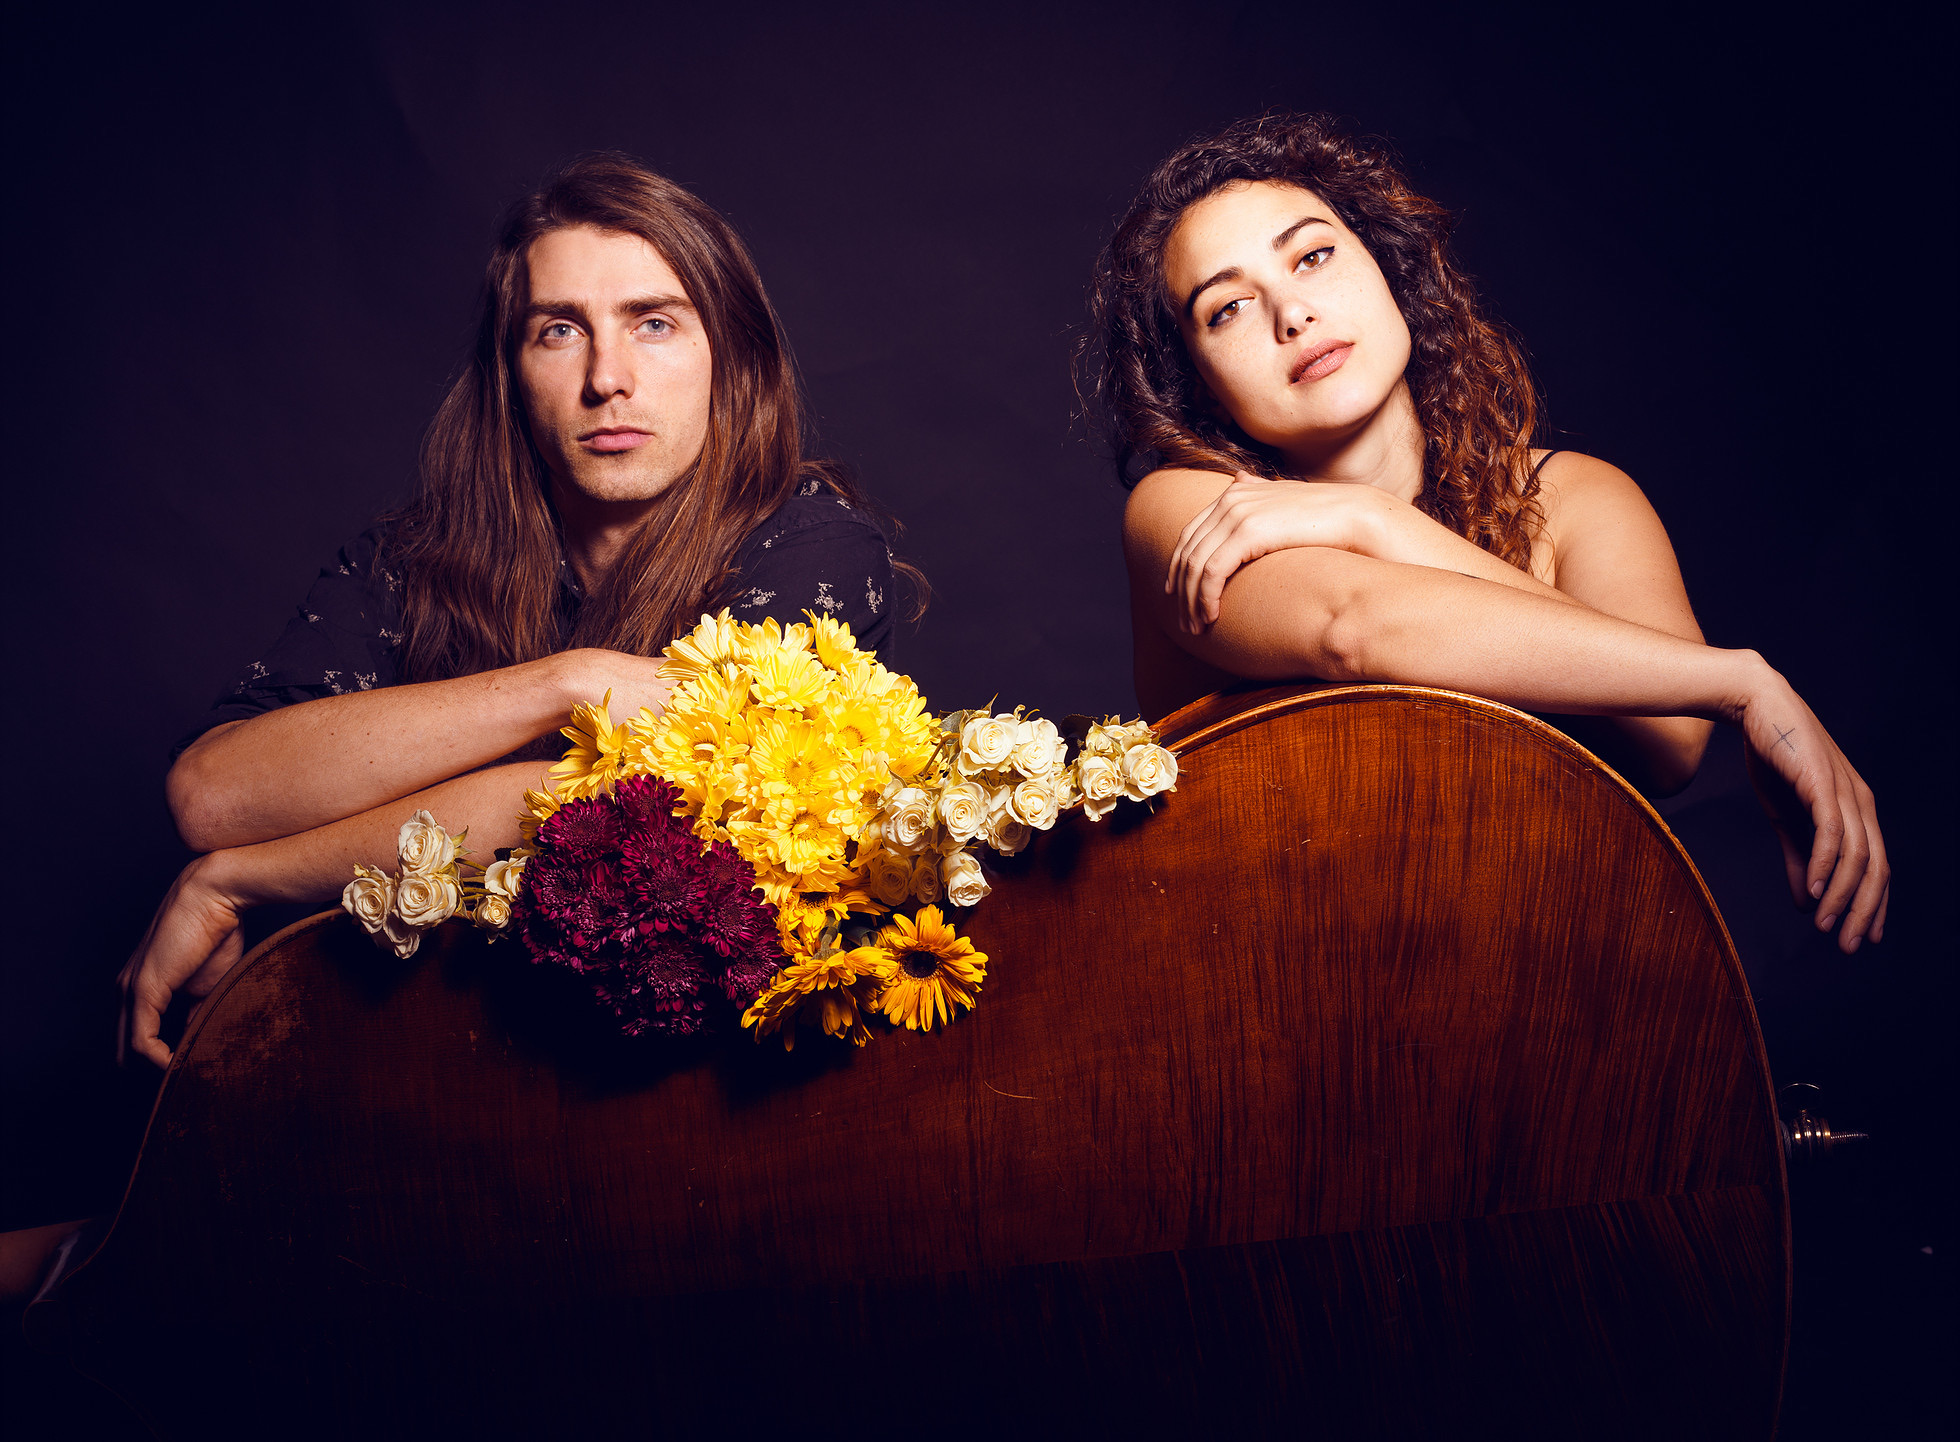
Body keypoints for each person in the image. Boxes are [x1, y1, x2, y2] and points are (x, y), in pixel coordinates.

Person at [118, 153, 914, 1068]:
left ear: (729, 358)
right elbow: (212, 795)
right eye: (559, 331)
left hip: (696, 1092)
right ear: (510, 370)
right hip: (423, 1074)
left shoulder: (813, 546)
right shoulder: (411, 560)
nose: (607, 377)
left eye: (654, 323)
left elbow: (606, 813)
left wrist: (239, 881)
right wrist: (566, 684)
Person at [1089, 113, 1885, 955]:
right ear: (1200, 385)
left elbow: (1673, 739)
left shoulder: (1576, 497)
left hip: (1544, 984)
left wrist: (1375, 521)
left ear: (1387, 266)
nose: (1292, 313)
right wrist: (1743, 682)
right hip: (1272, 991)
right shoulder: (1186, 511)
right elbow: (1354, 626)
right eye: (1228, 308)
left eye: (1313, 256)